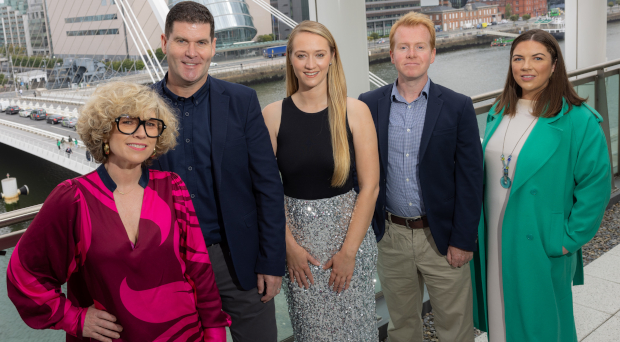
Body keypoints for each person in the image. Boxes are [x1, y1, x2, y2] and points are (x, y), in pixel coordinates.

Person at [7, 81, 231, 341]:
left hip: (185, 334)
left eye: (150, 124)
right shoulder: (73, 199)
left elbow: (199, 271)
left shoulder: (172, 188)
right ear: (104, 131)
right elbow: (23, 274)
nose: (141, 133)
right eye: (128, 121)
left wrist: (215, 333)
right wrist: (73, 318)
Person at [150, 3, 285, 341]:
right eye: (182, 42)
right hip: (168, 261)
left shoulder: (242, 101)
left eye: (201, 43)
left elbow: (267, 186)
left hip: (235, 258)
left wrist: (271, 261)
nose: (191, 53)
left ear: (213, 46)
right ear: (164, 42)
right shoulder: (138, 106)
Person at [471, 29, 611, 342]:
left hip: (539, 238)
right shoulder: (499, 110)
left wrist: (568, 238)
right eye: (518, 58)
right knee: (501, 315)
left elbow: (595, 185)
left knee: (542, 323)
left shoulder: (578, 119)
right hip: (494, 236)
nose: (526, 66)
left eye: (537, 58)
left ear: (554, 65)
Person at [358, 12, 483, 342]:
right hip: (392, 236)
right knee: (402, 327)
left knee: (455, 325)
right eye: (403, 47)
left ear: (432, 53)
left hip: (442, 238)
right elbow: (358, 171)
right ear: (391, 54)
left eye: (419, 47)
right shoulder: (368, 105)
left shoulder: (457, 107)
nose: (411, 54)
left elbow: (471, 179)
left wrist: (463, 239)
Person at [262, 21, 380, 341]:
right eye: (301, 55)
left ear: (332, 58)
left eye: (318, 55)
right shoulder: (272, 116)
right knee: (313, 333)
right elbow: (266, 192)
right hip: (299, 251)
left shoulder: (355, 112)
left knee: (358, 331)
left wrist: (349, 252)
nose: (310, 64)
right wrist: (290, 249)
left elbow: (370, 188)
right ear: (289, 59)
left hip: (350, 243)